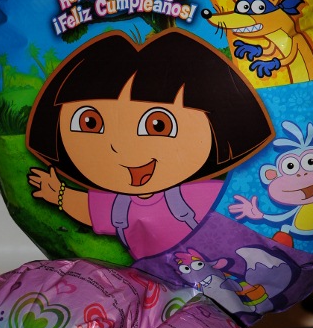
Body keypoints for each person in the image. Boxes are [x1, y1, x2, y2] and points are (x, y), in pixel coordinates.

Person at [27, 28, 274, 261]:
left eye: (159, 125)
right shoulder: (121, 204)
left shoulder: (194, 195)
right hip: (149, 278)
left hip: (216, 269)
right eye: (90, 122)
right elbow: (92, 209)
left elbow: (237, 207)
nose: (120, 147)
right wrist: (59, 194)